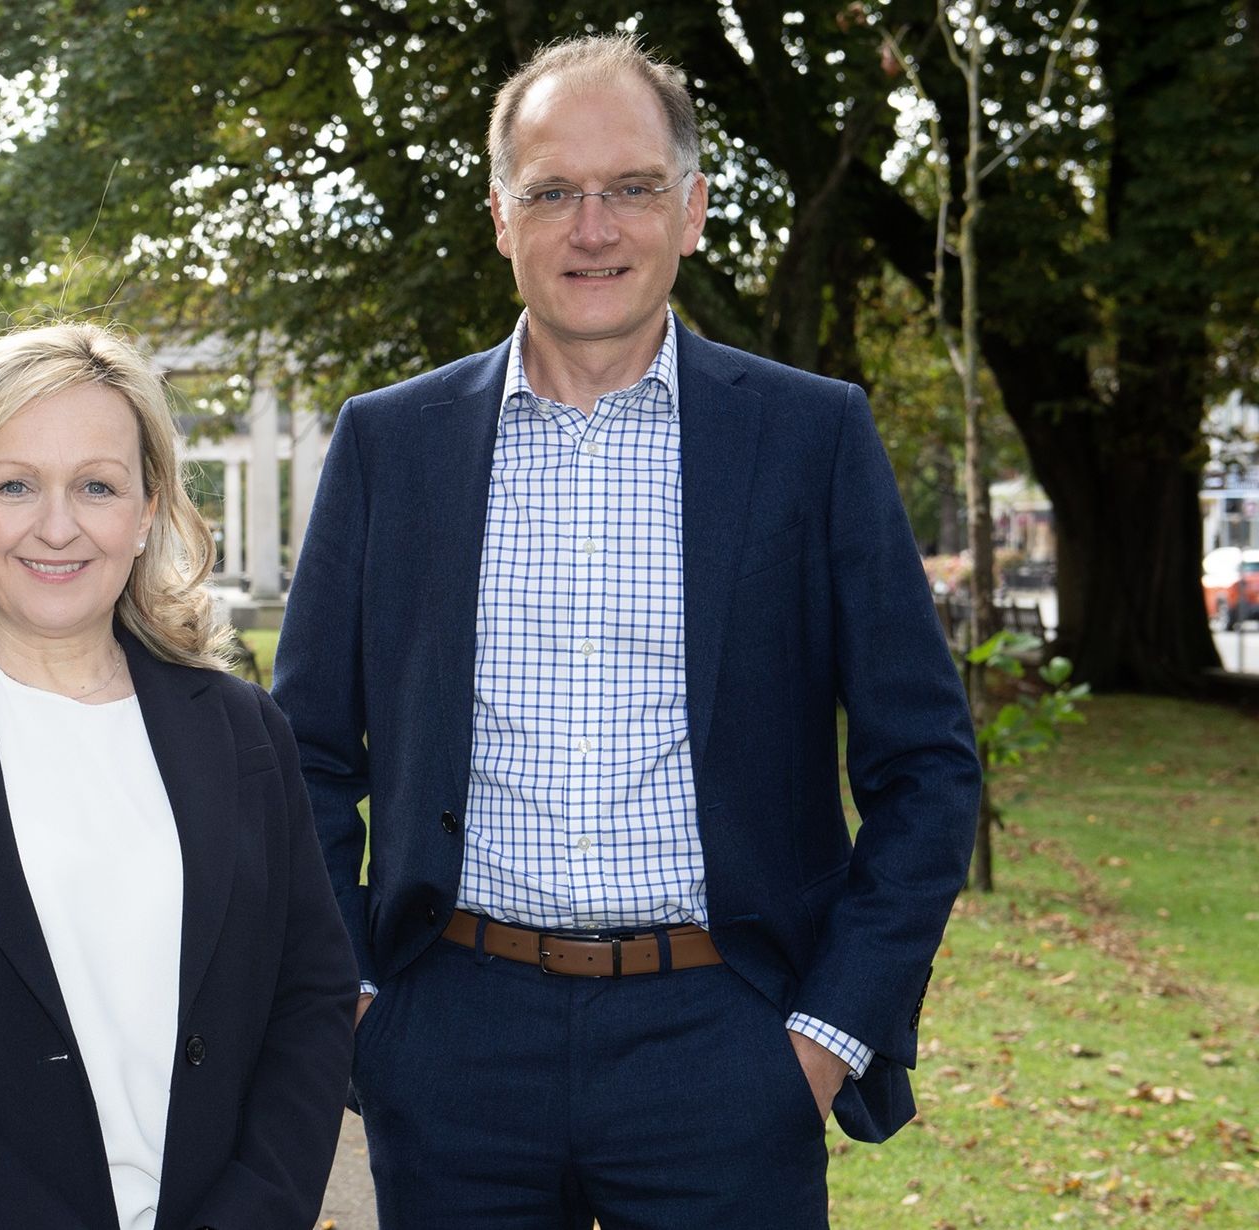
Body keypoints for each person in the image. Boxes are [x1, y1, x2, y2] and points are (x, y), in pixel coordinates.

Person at [273, 35, 980, 1228]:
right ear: (502, 219)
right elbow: (301, 757)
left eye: (631, 188)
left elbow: (925, 766)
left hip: (726, 1043)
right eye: (551, 191)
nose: (590, 228)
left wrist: (823, 1036)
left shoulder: (811, 440)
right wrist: (363, 1014)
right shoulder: (390, 446)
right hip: (453, 1045)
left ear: (692, 211)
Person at [0, 323, 356, 1230]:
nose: (58, 525)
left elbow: (310, 998)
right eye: (15, 485)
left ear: (147, 509)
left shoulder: (244, 731)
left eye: (96, 485)